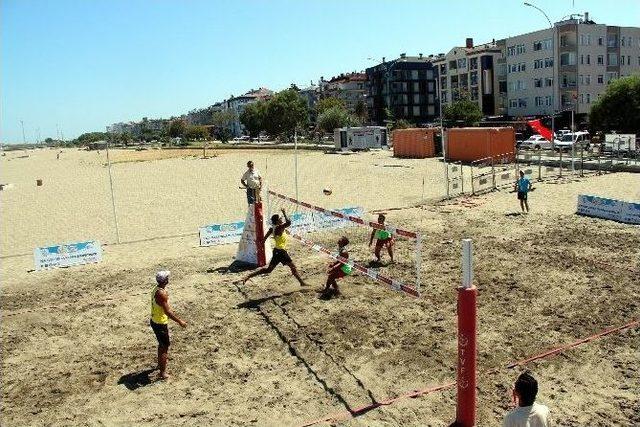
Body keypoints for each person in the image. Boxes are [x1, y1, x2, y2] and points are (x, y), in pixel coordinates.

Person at [242, 208, 306, 286]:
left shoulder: (273, 228)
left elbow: (264, 239)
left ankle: (249, 276)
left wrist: (261, 244)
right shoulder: (279, 228)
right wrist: (284, 212)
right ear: (277, 221)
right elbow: (289, 222)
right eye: (280, 218)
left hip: (276, 251)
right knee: (293, 266)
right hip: (281, 252)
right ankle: (302, 283)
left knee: (269, 270)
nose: (281, 219)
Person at [150, 271, 187, 380]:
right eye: (167, 277)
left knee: (161, 345)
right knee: (164, 347)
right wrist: (180, 321)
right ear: (165, 280)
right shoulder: (161, 293)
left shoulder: (156, 289)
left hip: (154, 320)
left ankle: (160, 364)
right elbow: (167, 312)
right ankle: (162, 373)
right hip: (160, 323)